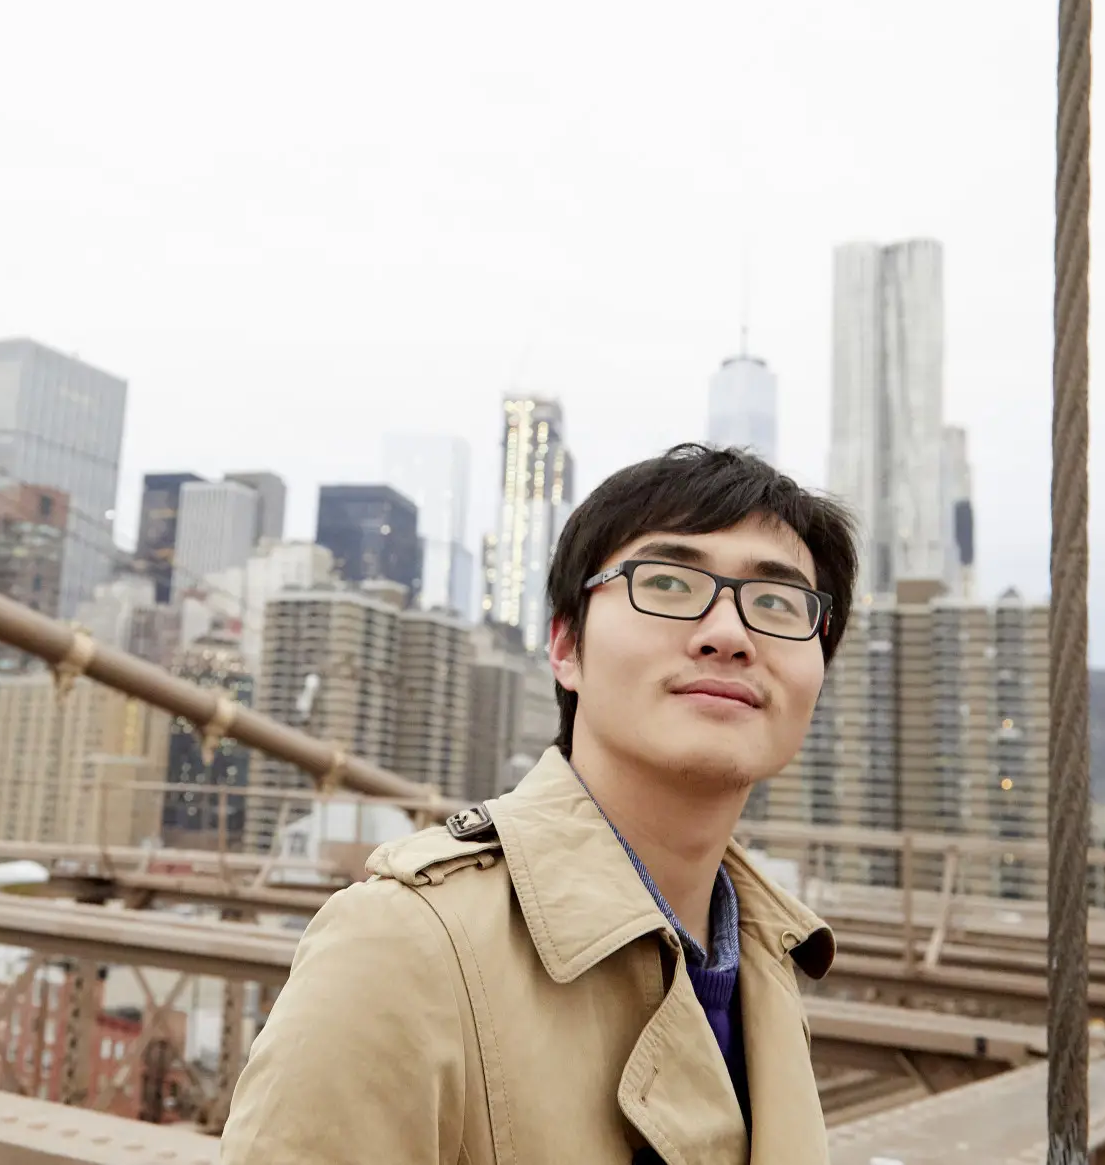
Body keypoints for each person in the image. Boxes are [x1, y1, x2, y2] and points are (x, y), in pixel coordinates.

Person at [221, 444, 859, 1164]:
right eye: (671, 584)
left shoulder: (768, 962)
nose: (729, 634)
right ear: (564, 644)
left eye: (777, 603)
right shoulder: (407, 944)